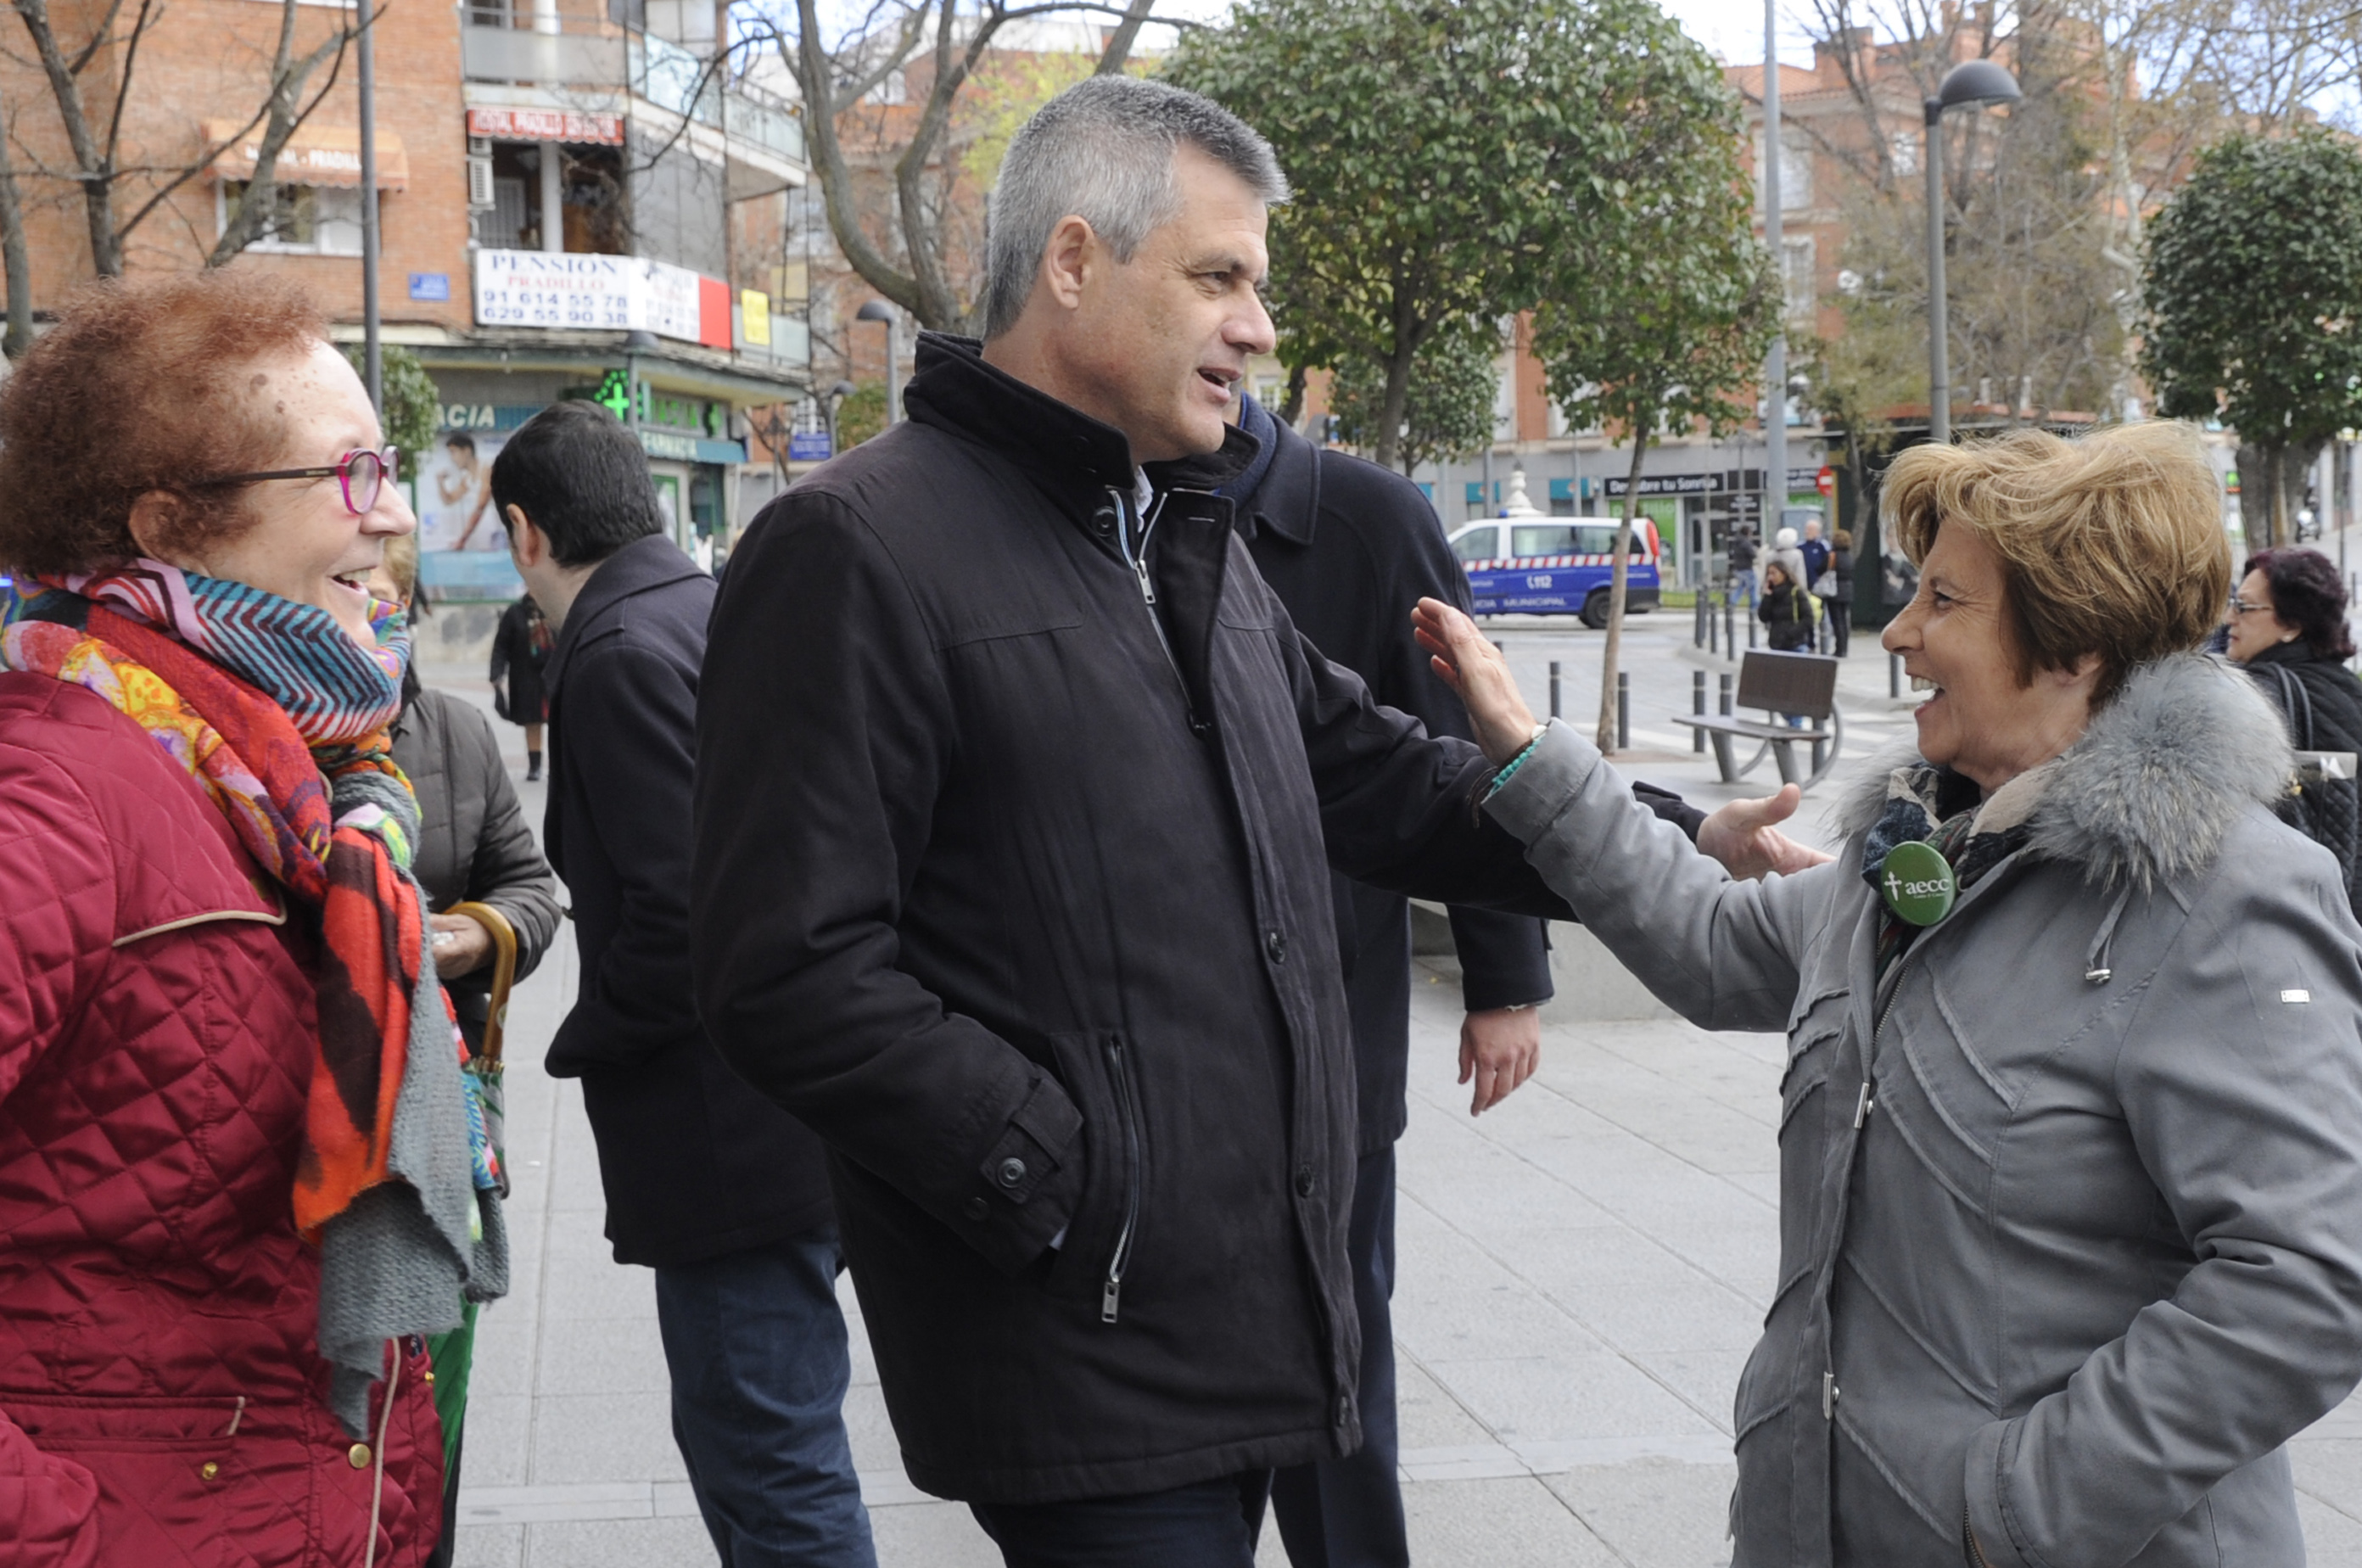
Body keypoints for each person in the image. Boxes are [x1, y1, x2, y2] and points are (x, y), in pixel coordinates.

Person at [689, 76, 1819, 1564]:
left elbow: (1384, 775)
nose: (1259, 328)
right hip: (1080, 1345)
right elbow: (787, 967)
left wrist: (1673, 832)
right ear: (1074, 262)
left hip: (1253, 1312)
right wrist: (1062, 1177)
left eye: (1256, 286)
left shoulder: (1180, 540)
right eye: (1218, 277)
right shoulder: (852, 548)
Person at [1413, 420, 2362, 1568]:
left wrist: (2013, 1504)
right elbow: (1709, 941)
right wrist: (1528, 750)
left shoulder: (2229, 899)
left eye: (1946, 604)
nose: (1902, 634)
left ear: (2072, 651)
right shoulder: (1922, 866)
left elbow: (2309, 1277)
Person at [0, 271, 507, 1564]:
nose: (392, 516)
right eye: (346, 478)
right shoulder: (54, 792)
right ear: (170, 525)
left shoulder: (296, 787)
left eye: (384, 471)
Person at [1219, 389, 1718, 1568]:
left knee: (1336, 1377)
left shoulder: (1371, 520)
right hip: (1169, 1062)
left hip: (1329, 1030)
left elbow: (1454, 747)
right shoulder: (1116, 510)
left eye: (1240, 286)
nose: (1243, 328)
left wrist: (1505, 980)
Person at [493, 400, 874, 1568]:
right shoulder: (706, 607)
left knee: (765, 1453)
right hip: (798, 1100)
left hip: (728, 1132)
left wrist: (585, 1034)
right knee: (770, 1434)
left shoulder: (613, 655)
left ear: (522, 531)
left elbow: (684, 918)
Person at [369, 531, 561, 1568]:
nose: (367, 617)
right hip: (322, 1130)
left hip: (444, 1119)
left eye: (385, 598)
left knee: (436, 1376)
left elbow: (529, 884)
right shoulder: (262, 743)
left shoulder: (452, 734)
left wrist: (476, 934)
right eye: (344, 593)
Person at [2226, 545, 2362, 754]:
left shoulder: (2262, 692)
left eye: (2244, 607)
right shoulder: (2344, 684)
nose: (2230, 618)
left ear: (2292, 624)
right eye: (2234, 603)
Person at [488, 592, 551, 781]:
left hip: (554, 673)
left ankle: (559, 766)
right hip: (526, 676)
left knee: (560, 721)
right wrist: (496, 673)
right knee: (532, 722)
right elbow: (501, 645)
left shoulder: (554, 608)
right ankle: (535, 767)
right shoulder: (515, 613)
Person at [1759, 557, 1816, 652]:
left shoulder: (1796, 592)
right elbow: (1764, 617)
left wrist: (1792, 633)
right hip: (1776, 644)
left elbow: (1808, 618)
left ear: (1784, 573)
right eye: (1769, 574)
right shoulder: (1772, 595)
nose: (1770, 577)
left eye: (1774, 573)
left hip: (1795, 644)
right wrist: (1767, 597)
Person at [1822, 526, 1854, 658]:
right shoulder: (1849, 557)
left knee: (1837, 621)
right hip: (1848, 590)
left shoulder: (1832, 556)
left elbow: (1822, 568)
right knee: (1844, 621)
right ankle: (1844, 648)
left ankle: (1839, 649)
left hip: (1834, 590)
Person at [1727, 523, 1759, 604]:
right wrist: (1755, 552)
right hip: (1747, 568)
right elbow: (1752, 555)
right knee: (1753, 586)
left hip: (1738, 568)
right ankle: (1754, 604)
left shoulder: (1737, 542)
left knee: (1741, 586)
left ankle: (1732, 602)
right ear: (1748, 532)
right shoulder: (1746, 543)